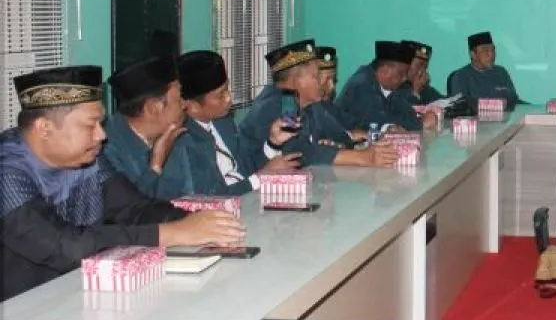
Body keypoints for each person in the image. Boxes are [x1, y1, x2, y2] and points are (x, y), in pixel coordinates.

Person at [1, 65, 244, 301]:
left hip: (79, 296)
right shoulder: (7, 172)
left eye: (100, 124)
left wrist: (200, 222)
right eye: (90, 125)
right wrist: (172, 233)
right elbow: (66, 246)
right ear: (44, 128)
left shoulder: (87, 158)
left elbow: (134, 209)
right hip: (21, 312)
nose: (101, 135)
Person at [241, 39, 399, 167]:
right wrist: (364, 158)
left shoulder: (305, 104)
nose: (322, 84)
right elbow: (298, 153)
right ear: (294, 81)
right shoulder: (281, 104)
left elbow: (339, 135)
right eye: (316, 77)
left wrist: (336, 144)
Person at [177, 50, 301, 195]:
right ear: (192, 106)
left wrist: (273, 143)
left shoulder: (223, 123)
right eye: (220, 95)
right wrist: (261, 178)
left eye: (227, 89)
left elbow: (247, 167)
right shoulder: (183, 141)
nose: (229, 98)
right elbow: (211, 197)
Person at [102, 55, 193, 200]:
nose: (185, 104)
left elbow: (189, 197)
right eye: (179, 98)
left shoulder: (175, 134)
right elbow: (127, 208)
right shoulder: (106, 151)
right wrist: (155, 166)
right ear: (153, 108)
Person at [335, 41, 437, 132]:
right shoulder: (361, 84)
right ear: (385, 70)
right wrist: (419, 124)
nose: (405, 78)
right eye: (401, 73)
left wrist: (418, 121)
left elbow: (404, 111)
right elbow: (375, 119)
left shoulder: (389, 86)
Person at [447, 31, 521, 110]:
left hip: (506, 116)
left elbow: (513, 98)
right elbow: (461, 104)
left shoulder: (501, 72)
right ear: (473, 55)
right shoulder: (461, 76)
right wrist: (495, 105)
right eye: (485, 51)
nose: (491, 54)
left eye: (493, 50)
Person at [400, 41, 444, 106]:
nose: (422, 71)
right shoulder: (393, 89)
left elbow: (445, 103)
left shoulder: (425, 90)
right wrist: (415, 92)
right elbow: (407, 111)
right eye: (419, 66)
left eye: (425, 67)